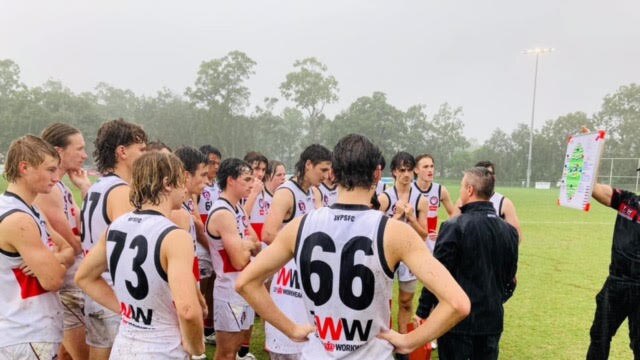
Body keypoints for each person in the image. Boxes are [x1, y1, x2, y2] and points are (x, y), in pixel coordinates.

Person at [237, 134, 470, 360]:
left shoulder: (300, 226)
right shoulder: (394, 232)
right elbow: (458, 303)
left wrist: (291, 329)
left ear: (334, 173)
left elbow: (246, 282)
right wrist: (409, 341)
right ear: (378, 174)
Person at [75, 152, 206, 359]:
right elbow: (188, 310)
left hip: (124, 345)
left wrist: (125, 310)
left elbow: (83, 276)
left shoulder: (115, 226)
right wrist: (197, 350)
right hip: (162, 348)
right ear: (167, 183)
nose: (185, 188)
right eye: (182, 180)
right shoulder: (174, 236)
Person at [416, 167, 519, 360]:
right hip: (491, 320)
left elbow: (437, 274)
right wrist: (495, 300)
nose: (460, 191)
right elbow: (510, 277)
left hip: (455, 320)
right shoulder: (509, 231)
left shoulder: (453, 227)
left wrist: (423, 311)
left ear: (470, 190)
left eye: (462, 186)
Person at [0, 135, 75, 359]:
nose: (55, 178)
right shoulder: (18, 219)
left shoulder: (30, 209)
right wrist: (56, 261)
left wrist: (56, 258)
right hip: (25, 332)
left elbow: (69, 251)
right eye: (50, 170)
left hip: (28, 330)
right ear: (25, 168)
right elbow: (54, 280)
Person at [80, 118, 147, 360]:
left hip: (95, 290)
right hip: (113, 293)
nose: (145, 155)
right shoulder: (121, 191)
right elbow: (130, 251)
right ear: (122, 152)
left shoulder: (97, 187)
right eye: (141, 149)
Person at [260, 144, 331, 359]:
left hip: (308, 275)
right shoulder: (286, 193)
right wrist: (301, 247)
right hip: (287, 279)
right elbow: (268, 234)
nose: (327, 175)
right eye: (323, 170)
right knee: (288, 344)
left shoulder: (315, 192)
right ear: (308, 165)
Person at [37, 123, 91, 360]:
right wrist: (83, 242)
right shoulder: (49, 191)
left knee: (66, 354)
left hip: (72, 281)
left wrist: (85, 188)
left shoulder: (61, 187)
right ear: (59, 152)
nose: (84, 155)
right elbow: (75, 243)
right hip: (66, 285)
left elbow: (87, 226)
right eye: (79, 149)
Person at [206, 158, 261, 360]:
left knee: (236, 348)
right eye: (247, 179)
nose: (252, 184)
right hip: (229, 292)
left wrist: (244, 243)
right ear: (231, 180)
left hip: (241, 288)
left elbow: (256, 243)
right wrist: (245, 245)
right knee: (226, 353)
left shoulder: (237, 209)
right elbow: (238, 260)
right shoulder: (223, 212)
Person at [585, 154, 640, 357]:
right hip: (616, 284)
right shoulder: (628, 201)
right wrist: (593, 150)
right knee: (599, 336)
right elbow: (593, 189)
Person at [378, 152, 429, 337]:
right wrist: (397, 217)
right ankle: (382, 339)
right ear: (394, 172)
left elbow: (424, 235)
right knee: (381, 300)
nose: (406, 174)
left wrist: (412, 219)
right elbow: (374, 231)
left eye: (409, 170)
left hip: (409, 255)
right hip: (387, 255)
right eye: (402, 170)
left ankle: (403, 345)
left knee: (406, 301)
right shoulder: (384, 198)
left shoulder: (421, 200)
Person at [198, 145, 222, 344]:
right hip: (201, 246)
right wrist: (208, 244)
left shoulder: (218, 185)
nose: (215, 167)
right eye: (212, 162)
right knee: (200, 290)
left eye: (218, 163)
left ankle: (209, 327)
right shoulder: (199, 186)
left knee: (213, 287)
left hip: (213, 244)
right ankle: (198, 330)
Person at [412, 154, 457, 251]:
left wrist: (443, 232)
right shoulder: (409, 189)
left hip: (432, 244)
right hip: (412, 241)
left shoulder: (440, 190)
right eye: (425, 167)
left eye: (432, 166)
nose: (430, 170)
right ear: (416, 170)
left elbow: (454, 215)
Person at [473, 160, 522, 240]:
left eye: (490, 174)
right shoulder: (463, 201)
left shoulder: (504, 203)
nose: (487, 177)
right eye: (483, 174)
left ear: (494, 178)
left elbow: (517, 236)